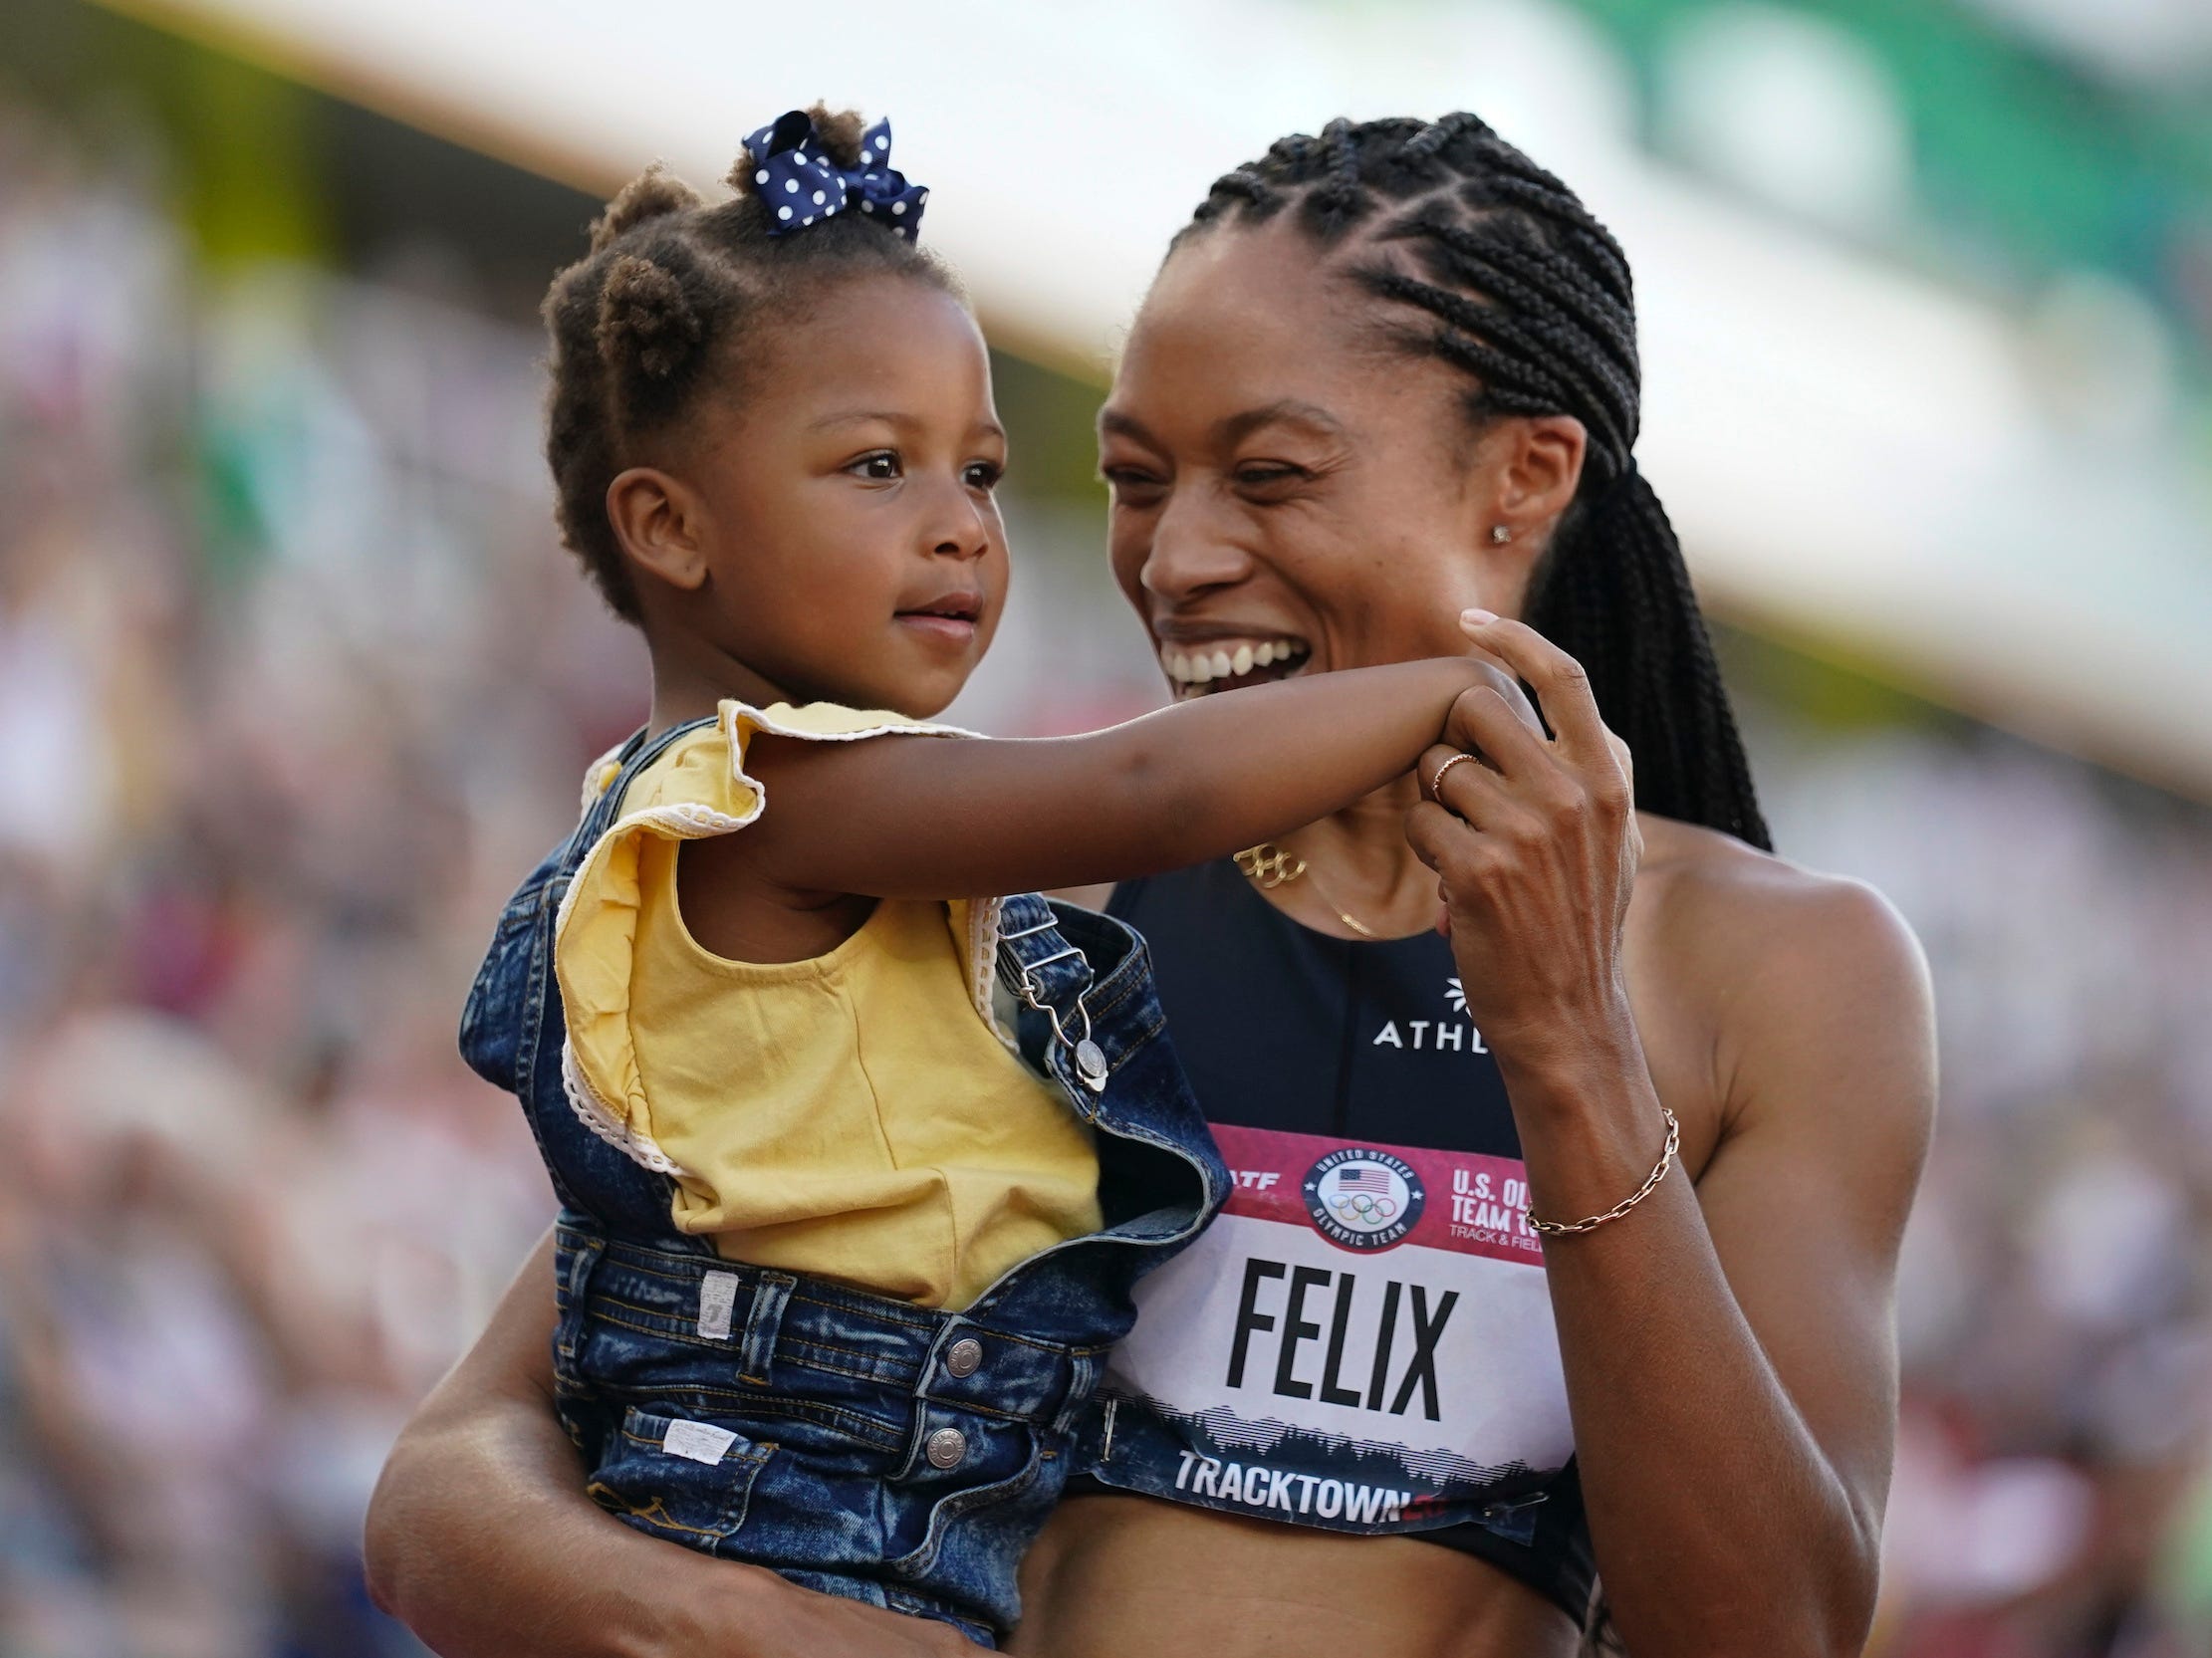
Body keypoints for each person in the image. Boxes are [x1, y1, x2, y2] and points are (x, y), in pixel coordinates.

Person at [367, 113, 1936, 1658]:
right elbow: (450, 1484)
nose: (1175, 557)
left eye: (1265, 475)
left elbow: (1769, 1628)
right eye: (1132, 479)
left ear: (1520, 479)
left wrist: (1568, 1047)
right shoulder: (1021, 889)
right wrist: (746, 1623)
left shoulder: (1778, 973)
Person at [458, 104, 1521, 1649]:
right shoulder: (764, 797)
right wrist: (1453, 687)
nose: (960, 527)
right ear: (669, 527)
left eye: (980, 469)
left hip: (903, 1481)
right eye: (878, 466)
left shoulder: (823, 816)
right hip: (795, 1491)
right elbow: (1139, 785)